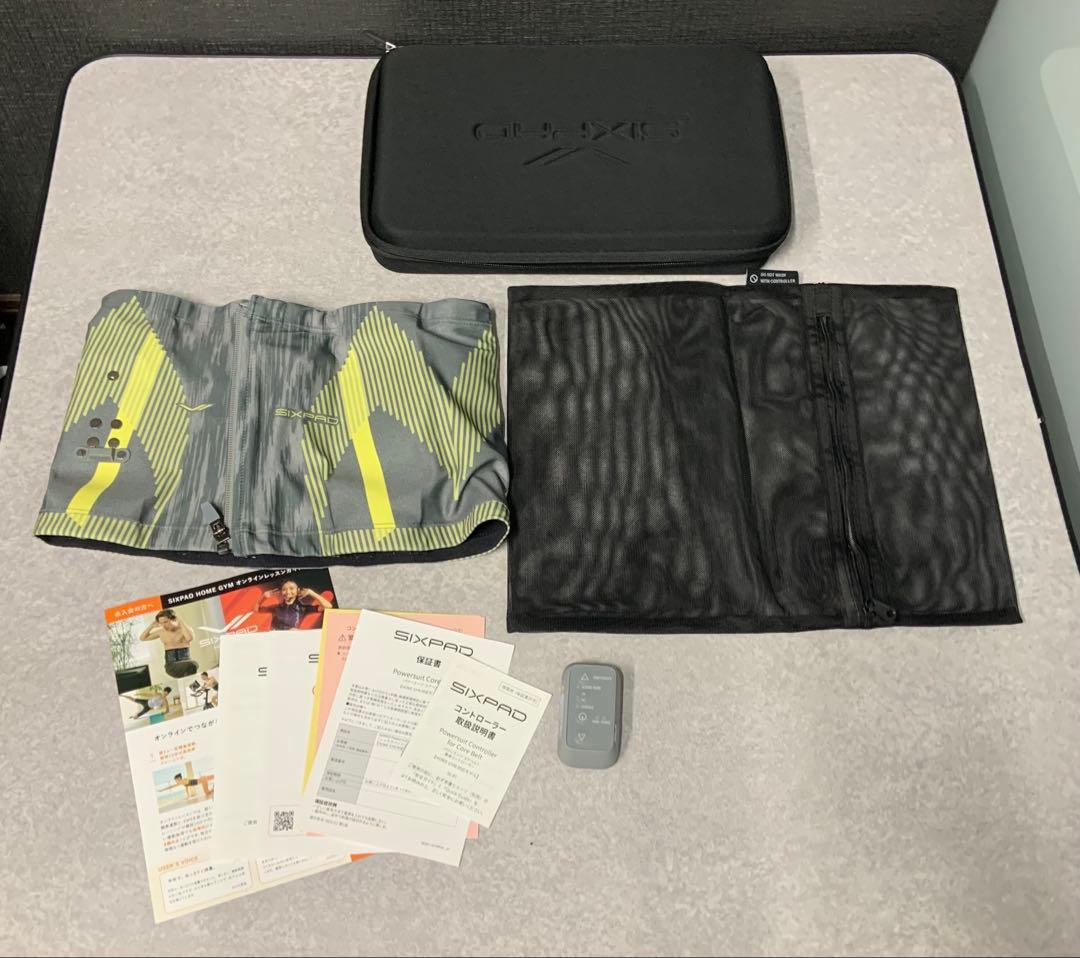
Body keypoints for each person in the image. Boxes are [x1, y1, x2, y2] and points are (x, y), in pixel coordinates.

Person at [139, 608, 198, 677]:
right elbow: (142, 638)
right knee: (192, 665)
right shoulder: (161, 631)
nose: (163, 625)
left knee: (193, 665)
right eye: (161, 623)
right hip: (171, 666)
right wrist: (151, 626)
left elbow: (189, 638)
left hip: (186, 663)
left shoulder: (184, 630)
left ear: (174, 619)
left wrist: (180, 621)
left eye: (165, 622)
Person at [255, 580, 332, 630]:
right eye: (284, 589)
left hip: (292, 639)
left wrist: (311, 592)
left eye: (291, 588)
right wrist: (263, 597)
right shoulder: (276, 607)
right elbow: (256, 610)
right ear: (281, 592)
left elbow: (328, 606)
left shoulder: (303, 608)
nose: (288, 592)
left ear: (298, 590)